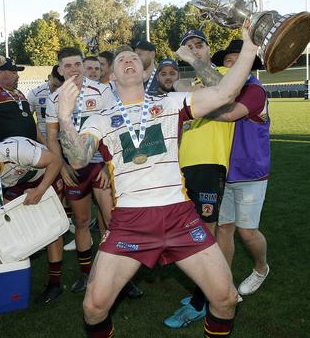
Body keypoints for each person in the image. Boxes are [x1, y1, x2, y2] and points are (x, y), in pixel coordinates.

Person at [56, 22, 259, 337]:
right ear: (112, 77)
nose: (128, 60)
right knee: (93, 307)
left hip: (179, 216)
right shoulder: (101, 118)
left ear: (143, 69)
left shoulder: (171, 103)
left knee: (225, 298)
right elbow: (79, 157)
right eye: (122, 58)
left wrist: (250, 44)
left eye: (134, 58)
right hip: (130, 220)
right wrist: (65, 118)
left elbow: (225, 92)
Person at [45, 47, 142, 298]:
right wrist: (62, 166)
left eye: (77, 64)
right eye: (67, 66)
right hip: (75, 169)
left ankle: (122, 278)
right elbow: (52, 138)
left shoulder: (102, 91)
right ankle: (86, 274)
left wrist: (109, 167)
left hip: (100, 165)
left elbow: (116, 128)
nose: (73, 70)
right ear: (59, 69)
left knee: (112, 222)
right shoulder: (54, 98)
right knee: (80, 223)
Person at [162, 29, 239, 328]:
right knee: (189, 231)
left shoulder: (220, 73)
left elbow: (222, 91)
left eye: (199, 45)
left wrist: (194, 62)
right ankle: (202, 288)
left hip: (210, 162)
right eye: (188, 46)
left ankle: (200, 299)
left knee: (205, 235)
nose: (194, 49)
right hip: (184, 164)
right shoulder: (190, 84)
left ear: (208, 49)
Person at [209, 40, 271, 296]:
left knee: (246, 232)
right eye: (228, 62)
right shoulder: (221, 89)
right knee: (224, 227)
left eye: (238, 61)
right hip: (224, 169)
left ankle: (261, 268)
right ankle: (225, 280)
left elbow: (227, 114)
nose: (232, 67)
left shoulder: (254, 90)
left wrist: (190, 108)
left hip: (250, 172)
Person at [0, 137, 63, 301]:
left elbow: (55, 161)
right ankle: (13, 272)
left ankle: (55, 283)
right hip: (18, 183)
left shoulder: (16, 151)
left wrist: (40, 190)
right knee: (9, 224)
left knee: (51, 227)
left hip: (45, 174)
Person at [26, 65, 64, 139]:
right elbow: (28, 120)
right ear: (49, 77)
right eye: (54, 86)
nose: (57, 90)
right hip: (44, 139)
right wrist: (43, 142)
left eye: (61, 87)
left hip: (65, 140)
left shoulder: (71, 93)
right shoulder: (35, 94)